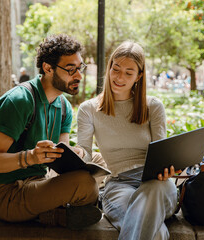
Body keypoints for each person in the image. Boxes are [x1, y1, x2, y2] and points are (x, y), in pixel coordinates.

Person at [0, 34, 101, 229]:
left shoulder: (63, 106)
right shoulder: (20, 101)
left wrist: (75, 154)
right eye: (71, 69)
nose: (78, 76)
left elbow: (62, 157)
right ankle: (56, 215)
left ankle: (59, 211)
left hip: (41, 181)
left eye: (80, 68)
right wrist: (30, 157)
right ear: (48, 68)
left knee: (101, 161)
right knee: (86, 184)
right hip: (11, 194)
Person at [77, 41, 179, 239]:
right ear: (109, 68)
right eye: (116, 69)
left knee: (152, 193)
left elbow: (161, 155)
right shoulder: (89, 109)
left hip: (156, 183)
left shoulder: (153, 107)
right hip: (119, 184)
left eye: (128, 72)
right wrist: (79, 152)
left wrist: (170, 166)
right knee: (156, 233)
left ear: (139, 76)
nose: (119, 77)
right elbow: (85, 152)